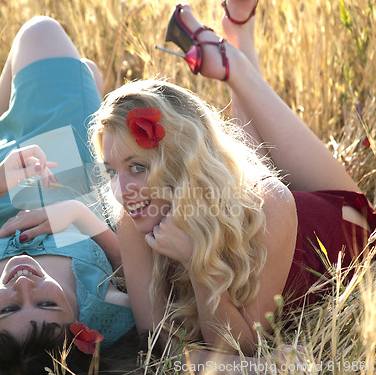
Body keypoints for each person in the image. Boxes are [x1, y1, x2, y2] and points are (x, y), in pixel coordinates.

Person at [88, 1, 376, 356]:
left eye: (138, 167)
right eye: (112, 171)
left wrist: (199, 266)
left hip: (344, 227)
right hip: (234, 200)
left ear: (180, 162)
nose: (122, 190)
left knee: (262, 187)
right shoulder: (133, 216)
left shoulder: (270, 204)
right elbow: (158, 342)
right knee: (245, 166)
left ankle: (235, 61)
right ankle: (236, 43)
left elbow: (241, 348)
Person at [0, 15, 136, 368]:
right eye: (47, 304)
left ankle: (14, 123)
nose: (24, 284)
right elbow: (158, 297)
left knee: (72, 71)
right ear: (79, 326)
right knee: (41, 33)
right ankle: (70, 90)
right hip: (68, 183)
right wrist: (79, 217)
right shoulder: (100, 307)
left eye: (9, 307)